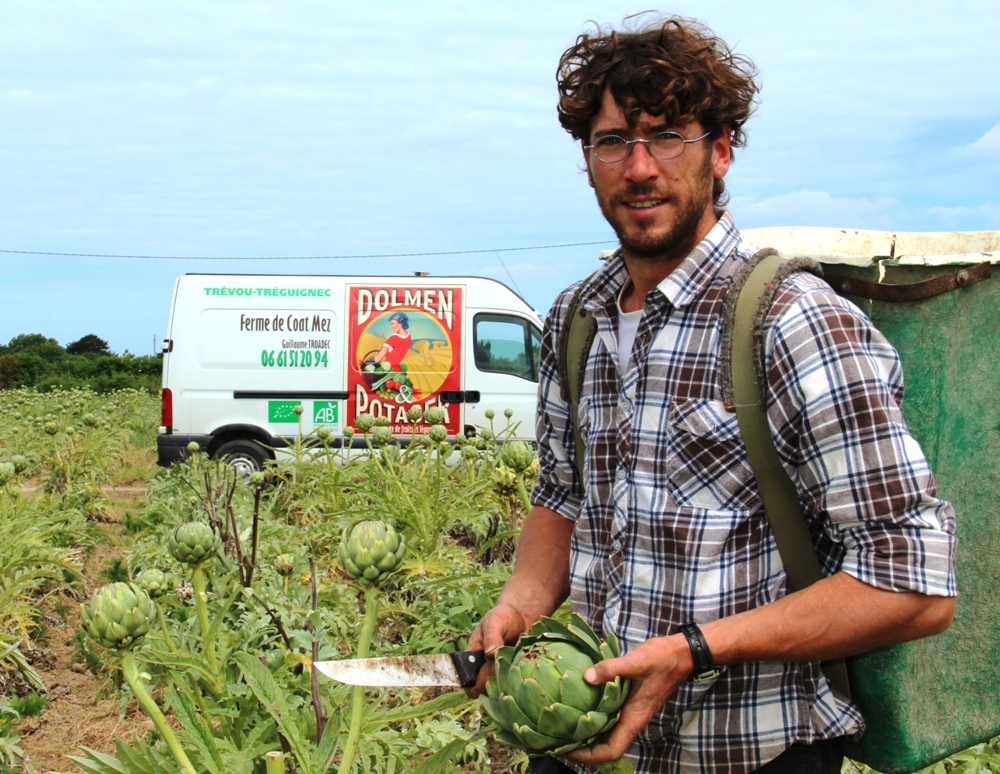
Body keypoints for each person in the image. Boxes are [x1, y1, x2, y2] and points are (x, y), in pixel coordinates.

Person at [468, 15, 957, 774]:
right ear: (587, 159)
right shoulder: (574, 320)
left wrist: (694, 651)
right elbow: (561, 496)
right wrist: (523, 606)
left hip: (750, 752)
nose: (638, 168)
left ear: (721, 149)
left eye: (668, 136)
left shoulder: (793, 323)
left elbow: (915, 585)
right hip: (582, 746)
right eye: (612, 141)